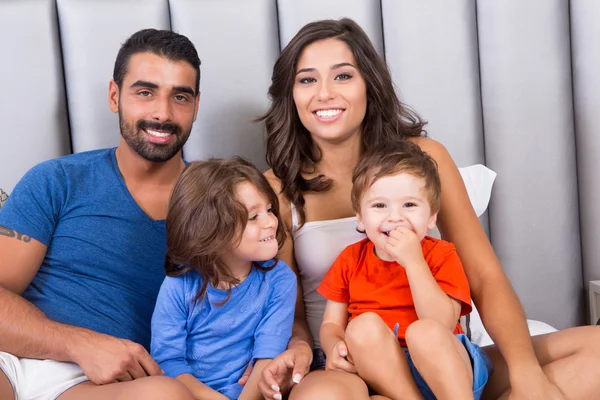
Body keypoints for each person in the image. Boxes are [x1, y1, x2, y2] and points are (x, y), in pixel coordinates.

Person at [255, 17, 600, 400]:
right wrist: (311, 347)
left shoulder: (424, 157)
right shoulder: (276, 189)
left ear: (369, 83)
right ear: (290, 94)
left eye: (342, 76)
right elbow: (291, 315)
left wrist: (526, 373)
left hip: (441, 357)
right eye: (307, 79)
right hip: (347, 369)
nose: (324, 94)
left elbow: (484, 275)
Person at [0, 29, 202, 400]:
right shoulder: (57, 179)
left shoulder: (216, 203)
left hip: (101, 387)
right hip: (10, 358)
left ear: (196, 106)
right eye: (145, 92)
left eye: (180, 97)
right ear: (114, 96)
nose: (162, 113)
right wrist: (78, 344)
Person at [317, 140, 492, 399]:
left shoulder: (441, 255)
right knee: (360, 327)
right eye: (379, 206)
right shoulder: (351, 259)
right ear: (361, 218)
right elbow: (331, 323)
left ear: (431, 217)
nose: (394, 217)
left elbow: (442, 323)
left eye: (409, 205)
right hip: (386, 376)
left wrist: (414, 262)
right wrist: (334, 346)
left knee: (424, 332)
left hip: (447, 369)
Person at [151, 157, 297, 400]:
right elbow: (168, 361)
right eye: (253, 217)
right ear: (210, 230)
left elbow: (267, 358)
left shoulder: (280, 281)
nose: (271, 222)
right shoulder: (180, 285)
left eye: (269, 210)